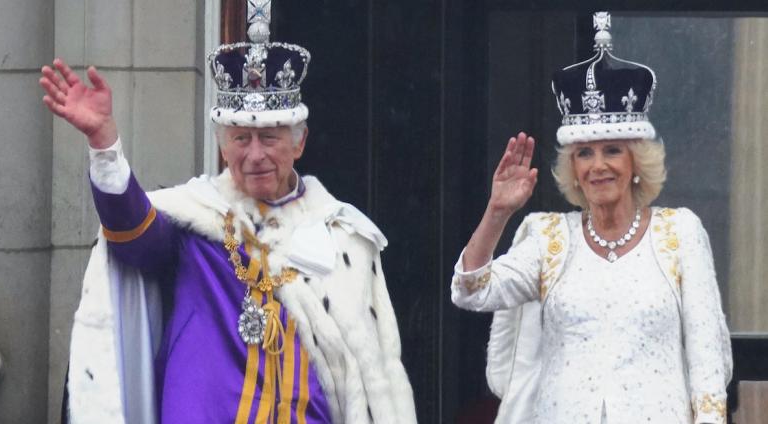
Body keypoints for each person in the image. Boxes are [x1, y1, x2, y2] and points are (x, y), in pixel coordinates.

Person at [40, 2, 416, 423]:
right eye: (240, 138)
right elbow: (132, 237)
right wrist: (104, 143)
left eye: (269, 138)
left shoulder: (343, 235)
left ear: (300, 142)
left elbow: (369, 374)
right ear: (222, 146)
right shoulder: (195, 223)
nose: (254, 155)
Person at [450, 12, 731, 424]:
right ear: (574, 170)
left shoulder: (680, 232)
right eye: (585, 153)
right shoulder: (550, 239)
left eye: (612, 150)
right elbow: (471, 291)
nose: (598, 165)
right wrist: (497, 213)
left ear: (637, 161)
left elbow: (707, 360)